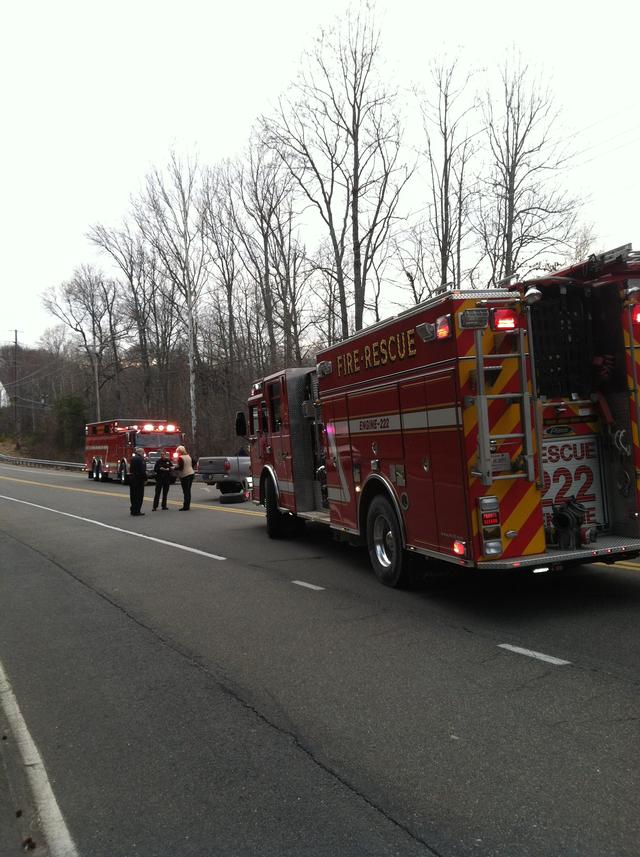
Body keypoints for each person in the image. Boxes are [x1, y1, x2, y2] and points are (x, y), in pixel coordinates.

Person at [175, 445, 195, 511]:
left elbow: (180, 467)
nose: (178, 453)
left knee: (185, 491)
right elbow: (194, 461)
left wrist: (174, 468)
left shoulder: (180, 458)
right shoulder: (188, 456)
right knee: (188, 491)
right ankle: (187, 505)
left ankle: (185, 506)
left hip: (185, 475)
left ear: (180, 451)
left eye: (178, 451)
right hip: (191, 473)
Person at [129, 447, 147, 516]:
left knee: (133, 495)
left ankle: (133, 510)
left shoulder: (133, 458)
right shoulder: (141, 459)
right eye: (143, 452)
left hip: (132, 479)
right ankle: (137, 511)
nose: (144, 454)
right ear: (140, 452)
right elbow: (142, 471)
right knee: (139, 496)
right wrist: (145, 479)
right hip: (138, 479)